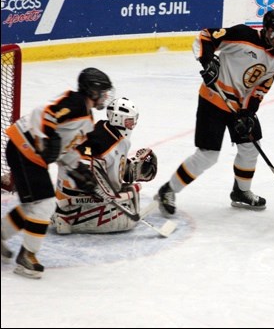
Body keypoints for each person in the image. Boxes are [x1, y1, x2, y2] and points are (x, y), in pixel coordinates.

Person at [155, 9, 274, 215]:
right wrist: (208, 61)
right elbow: (206, 36)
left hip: (238, 107)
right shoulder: (242, 34)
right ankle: (168, 190)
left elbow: (258, 91)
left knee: (250, 148)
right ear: (269, 31)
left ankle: (241, 192)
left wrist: (248, 114)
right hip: (213, 99)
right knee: (208, 155)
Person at [0, 68, 114, 278]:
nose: (106, 97)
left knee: (33, 205)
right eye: (104, 92)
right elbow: (44, 114)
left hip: (28, 152)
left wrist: (77, 169)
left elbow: (65, 148)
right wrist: (48, 137)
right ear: (93, 91)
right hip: (23, 148)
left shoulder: (86, 118)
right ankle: (27, 257)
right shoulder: (75, 103)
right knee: (44, 203)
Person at [51, 97, 158, 234]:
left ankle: (68, 217)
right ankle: (68, 218)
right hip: (73, 202)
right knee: (127, 213)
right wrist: (106, 191)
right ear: (118, 119)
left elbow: (109, 169)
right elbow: (84, 169)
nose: (132, 125)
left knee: (130, 191)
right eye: (129, 121)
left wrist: (132, 169)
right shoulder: (104, 139)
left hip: (76, 197)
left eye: (134, 121)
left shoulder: (109, 133)